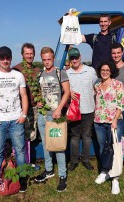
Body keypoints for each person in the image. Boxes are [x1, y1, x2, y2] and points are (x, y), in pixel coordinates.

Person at [0, 46, 28, 193]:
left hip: (16, 120)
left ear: (11, 58)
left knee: (20, 151)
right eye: (2, 58)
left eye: (7, 57)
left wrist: (24, 115)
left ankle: (22, 179)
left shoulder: (18, 75)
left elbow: (24, 96)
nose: (5, 60)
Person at [34, 47, 70, 192]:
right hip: (43, 115)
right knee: (46, 144)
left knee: (58, 145)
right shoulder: (40, 74)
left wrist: (59, 109)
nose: (47, 62)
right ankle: (49, 170)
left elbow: (67, 92)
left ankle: (62, 175)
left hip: (55, 115)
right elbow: (39, 93)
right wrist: (39, 102)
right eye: (44, 59)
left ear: (53, 58)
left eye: (49, 59)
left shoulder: (60, 73)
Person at [93, 61, 124, 195]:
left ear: (111, 71)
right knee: (102, 147)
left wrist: (115, 119)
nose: (105, 72)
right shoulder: (97, 85)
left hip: (114, 122)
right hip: (99, 121)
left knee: (115, 148)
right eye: (102, 70)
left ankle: (115, 179)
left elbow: (121, 103)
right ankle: (104, 171)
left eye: (107, 70)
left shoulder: (118, 85)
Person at [66, 48, 98, 171]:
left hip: (89, 108)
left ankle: (85, 159)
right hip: (75, 110)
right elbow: (64, 88)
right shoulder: (67, 73)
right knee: (74, 136)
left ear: (80, 57)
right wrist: (69, 92)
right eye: (72, 58)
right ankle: (74, 161)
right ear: (70, 60)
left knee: (86, 136)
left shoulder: (90, 71)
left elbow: (97, 85)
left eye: (76, 57)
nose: (75, 60)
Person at [12, 43, 41, 166]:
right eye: (27, 53)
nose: (29, 56)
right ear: (22, 54)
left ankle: (27, 160)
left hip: (34, 107)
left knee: (31, 135)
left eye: (31, 53)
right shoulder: (16, 70)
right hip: (21, 109)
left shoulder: (37, 70)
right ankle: (20, 161)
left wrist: (40, 99)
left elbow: (40, 88)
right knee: (20, 135)